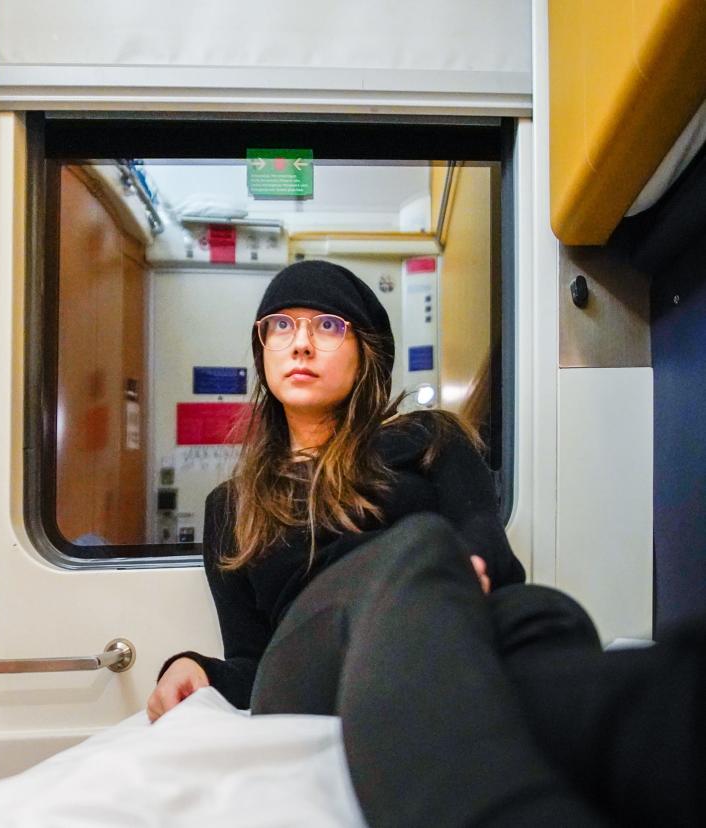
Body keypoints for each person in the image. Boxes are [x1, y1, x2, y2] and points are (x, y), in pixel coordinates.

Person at [145, 260, 703, 827]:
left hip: (435, 626)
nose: (301, 345)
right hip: (310, 663)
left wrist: (460, 571)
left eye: (329, 326)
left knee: (537, 613)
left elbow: (490, 550)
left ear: (367, 351)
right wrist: (195, 667)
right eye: (281, 326)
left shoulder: (429, 438)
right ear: (262, 348)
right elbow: (253, 660)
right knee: (416, 548)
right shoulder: (231, 505)